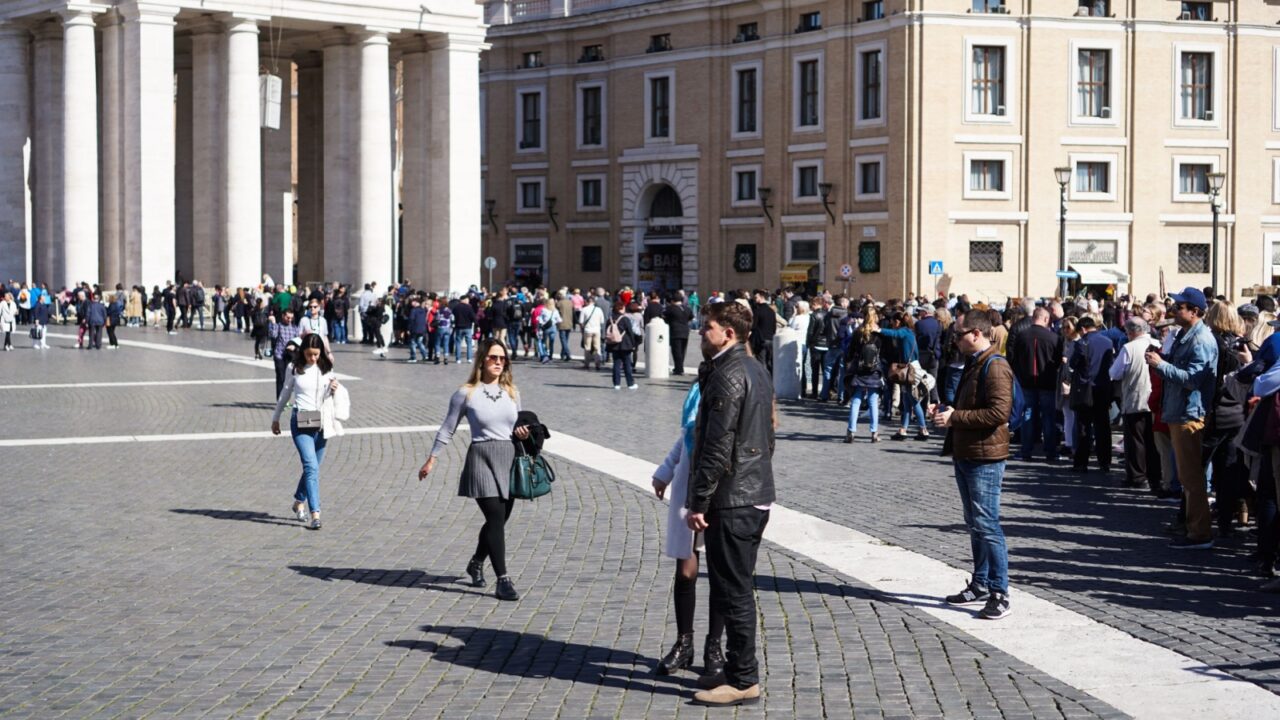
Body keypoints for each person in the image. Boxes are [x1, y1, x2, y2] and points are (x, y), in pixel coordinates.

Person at [686, 301, 775, 708]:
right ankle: (737, 667)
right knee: (732, 586)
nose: (702, 333)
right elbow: (769, 436)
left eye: (709, 327)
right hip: (754, 492)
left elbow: (717, 445)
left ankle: (743, 679)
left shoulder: (728, 374)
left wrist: (698, 500)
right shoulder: (756, 367)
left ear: (729, 333)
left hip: (733, 497)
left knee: (732, 589)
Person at [418, 339, 532, 602]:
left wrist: (522, 433)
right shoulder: (466, 393)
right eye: (493, 357)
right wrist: (432, 459)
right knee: (494, 517)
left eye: (503, 358)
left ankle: (476, 562)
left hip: (509, 457)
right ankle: (503, 580)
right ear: (482, 359)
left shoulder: (512, 391)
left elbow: (516, 426)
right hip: (481, 457)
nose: (498, 362)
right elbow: (448, 428)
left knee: (499, 520)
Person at [932, 310, 1014, 620]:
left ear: (976, 334)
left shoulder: (996, 366)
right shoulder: (974, 362)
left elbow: (998, 413)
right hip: (967, 451)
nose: (954, 339)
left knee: (988, 524)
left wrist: (955, 417)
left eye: (958, 334)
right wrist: (946, 410)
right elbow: (971, 406)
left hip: (985, 457)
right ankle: (980, 582)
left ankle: (1000, 591)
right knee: (975, 523)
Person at [651, 382, 726, 680]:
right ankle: (685, 643)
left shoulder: (733, 381)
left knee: (721, 569)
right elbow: (686, 437)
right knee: (685, 569)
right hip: (689, 483)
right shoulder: (699, 388)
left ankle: (714, 647)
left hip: (722, 486)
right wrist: (665, 472)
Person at [1146, 288, 1218, 550]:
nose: (1175, 310)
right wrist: (1162, 360)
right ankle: (1192, 526)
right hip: (1179, 410)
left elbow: (1193, 380)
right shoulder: (1186, 335)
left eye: (1180, 306)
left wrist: (1161, 365)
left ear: (1195, 311)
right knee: (1187, 476)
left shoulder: (1200, 340)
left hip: (1189, 413)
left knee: (1191, 477)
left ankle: (1199, 532)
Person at [271, 333, 345, 530]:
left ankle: (298, 502)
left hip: (321, 422)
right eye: (309, 354)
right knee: (311, 466)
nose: (313, 358)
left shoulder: (326, 368)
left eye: (316, 354)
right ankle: (316, 514)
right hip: (301, 420)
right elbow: (285, 393)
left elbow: (327, 395)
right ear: (303, 351)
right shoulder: (294, 368)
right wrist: (276, 418)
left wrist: (334, 388)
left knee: (312, 468)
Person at [1008, 307, 1064, 462]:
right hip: (1047, 382)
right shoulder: (1054, 338)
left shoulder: (1021, 336)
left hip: (1026, 382)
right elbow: (1058, 361)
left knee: (1027, 416)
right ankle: (1050, 451)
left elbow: (1012, 357)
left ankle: (1026, 450)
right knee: (1048, 417)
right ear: (1046, 319)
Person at [1069, 316, 1116, 473]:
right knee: (1103, 426)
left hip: (1086, 389)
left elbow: (1073, 363)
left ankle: (1082, 462)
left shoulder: (1081, 343)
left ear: (1083, 329)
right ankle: (1105, 462)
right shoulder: (1108, 342)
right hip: (1103, 388)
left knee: (1084, 426)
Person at [843, 306, 884, 442]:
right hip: (874, 369)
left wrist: (849, 363)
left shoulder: (858, 332)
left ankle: (851, 431)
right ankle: (874, 432)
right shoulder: (878, 333)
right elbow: (882, 352)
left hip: (859, 369)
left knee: (856, 400)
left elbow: (850, 352)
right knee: (873, 401)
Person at [606, 300, 641, 390]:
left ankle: (616, 384)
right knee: (627, 365)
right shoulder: (625, 319)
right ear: (622, 308)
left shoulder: (610, 319)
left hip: (614, 344)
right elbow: (630, 332)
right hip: (625, 345)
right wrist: (634, 344)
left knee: (616, 364)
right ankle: (630, 383)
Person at [663, 292, 694, 376]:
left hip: (675, 331)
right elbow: (691, 317)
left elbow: (664, 317)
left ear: (672, 300)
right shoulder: (687, 308)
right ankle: (679, 367)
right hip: (685, 331)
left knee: (676, 351)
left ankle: (679, 369)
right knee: (682, 351)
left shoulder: (670, 308)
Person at [748, 289, 776, 374]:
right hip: (770, 339)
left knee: (762, 363)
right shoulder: (771, 311)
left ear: (761, 297)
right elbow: (774, 326)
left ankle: (764, 383)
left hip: (761, 340)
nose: (755, 299)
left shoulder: (757, 311)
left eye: (756, 297)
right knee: (770, 362)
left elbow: (753, 326)